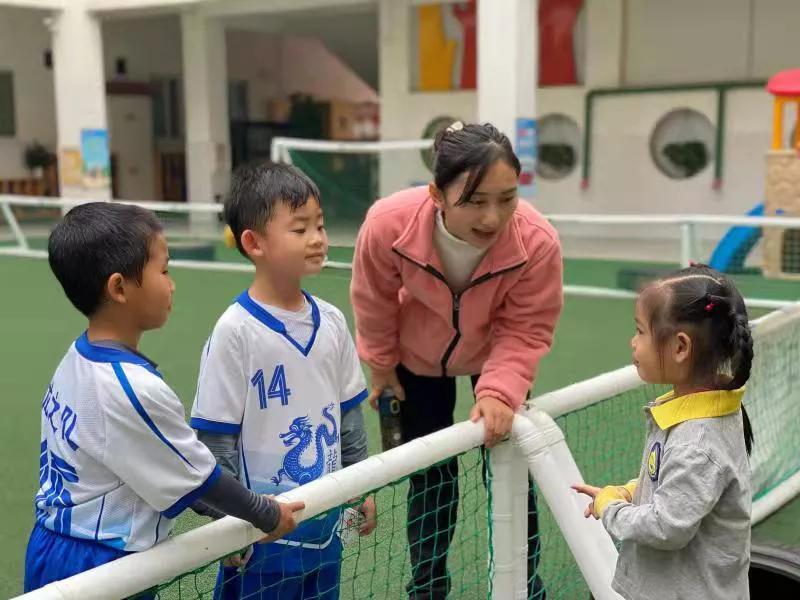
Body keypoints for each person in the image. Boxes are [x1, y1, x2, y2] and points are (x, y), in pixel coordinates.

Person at [24, 202, 302, 593]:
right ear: (119, 287)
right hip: (101, 561)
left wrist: (228, 521)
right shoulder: (132, 388)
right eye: (164, 270)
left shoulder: (75, 358)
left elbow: (171, 471)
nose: (171, 283)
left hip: (51, 544)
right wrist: (267, 515)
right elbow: (203, 481)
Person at [350, 122, 564, 599]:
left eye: (507, 198)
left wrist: (499, 391)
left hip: (496, 357)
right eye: (474, 200)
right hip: (417, 358)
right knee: (431, 473)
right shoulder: (388, 224)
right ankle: (427, 587)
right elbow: (374, 299)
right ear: (436, 194)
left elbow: (525, 328)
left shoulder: (537, 241)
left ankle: (525, 586)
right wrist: (381, 365)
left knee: (511, 468)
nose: (493, 217)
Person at [190, 162, 376, 600]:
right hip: (262, 539)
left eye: (320, 225)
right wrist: (229, 524)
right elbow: (215, 440)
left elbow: (349, 415)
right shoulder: (235, 332)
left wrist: (359, 484)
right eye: (299, 229)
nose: (317, 239)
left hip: (326, 527)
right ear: (253, 243)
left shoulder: (331, 321)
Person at [574, 264, 754, 600]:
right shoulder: (699, 409)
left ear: (680, 347)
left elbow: (666, 527)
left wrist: (610, 509)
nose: (633, 342)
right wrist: (631, 491)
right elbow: (678, 488)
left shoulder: (697, 444)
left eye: (640, 331)